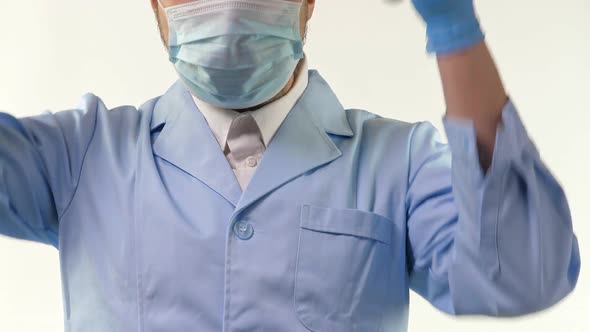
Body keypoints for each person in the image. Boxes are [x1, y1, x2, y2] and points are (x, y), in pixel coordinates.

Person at [0, 0, 580, 331]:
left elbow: (523, 275)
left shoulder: (396, 165)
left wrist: (454, 30)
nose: (225, 9)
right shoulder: (79, 154)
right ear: (155, 9)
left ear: (306, 5)